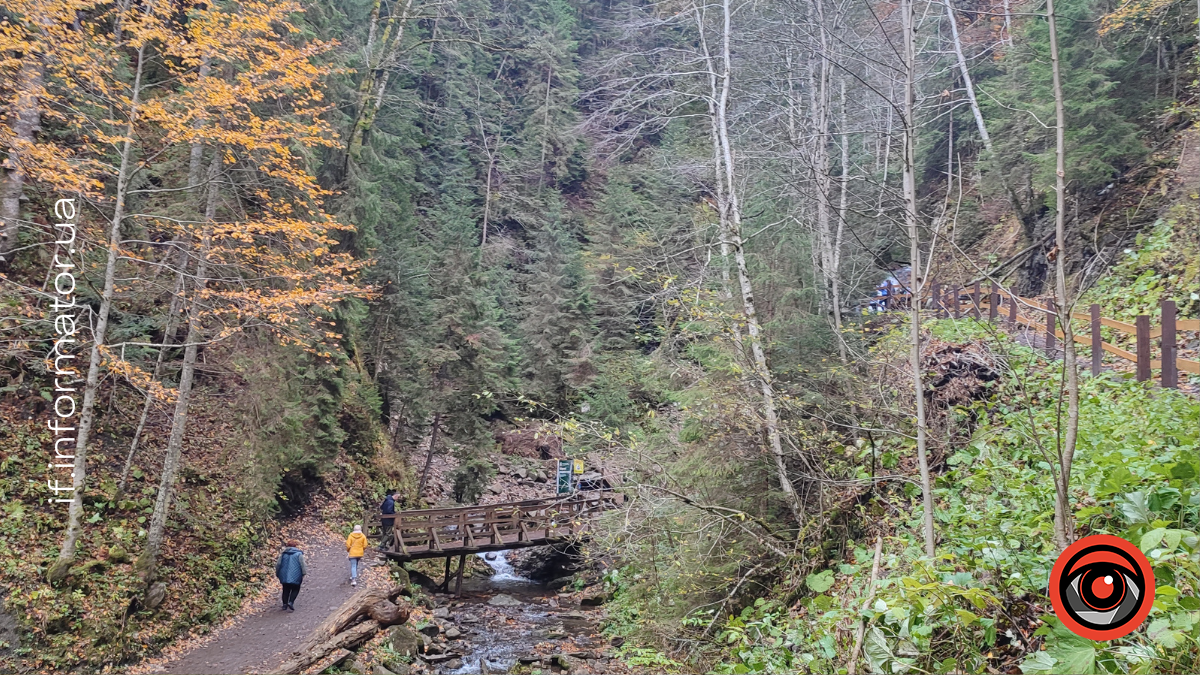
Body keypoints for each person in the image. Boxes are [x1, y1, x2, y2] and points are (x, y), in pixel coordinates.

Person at [275, 539, 307, 612]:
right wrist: (303, 573)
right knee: (295, 588)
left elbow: (278, 565)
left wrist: (278, 574)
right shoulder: (299, 554)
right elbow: (303, 565)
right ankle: (291, 602)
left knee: (286, 589)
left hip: (284, 575)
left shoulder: (283, 554)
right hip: (296, 575)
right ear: (295, 546)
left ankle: (284, 604)